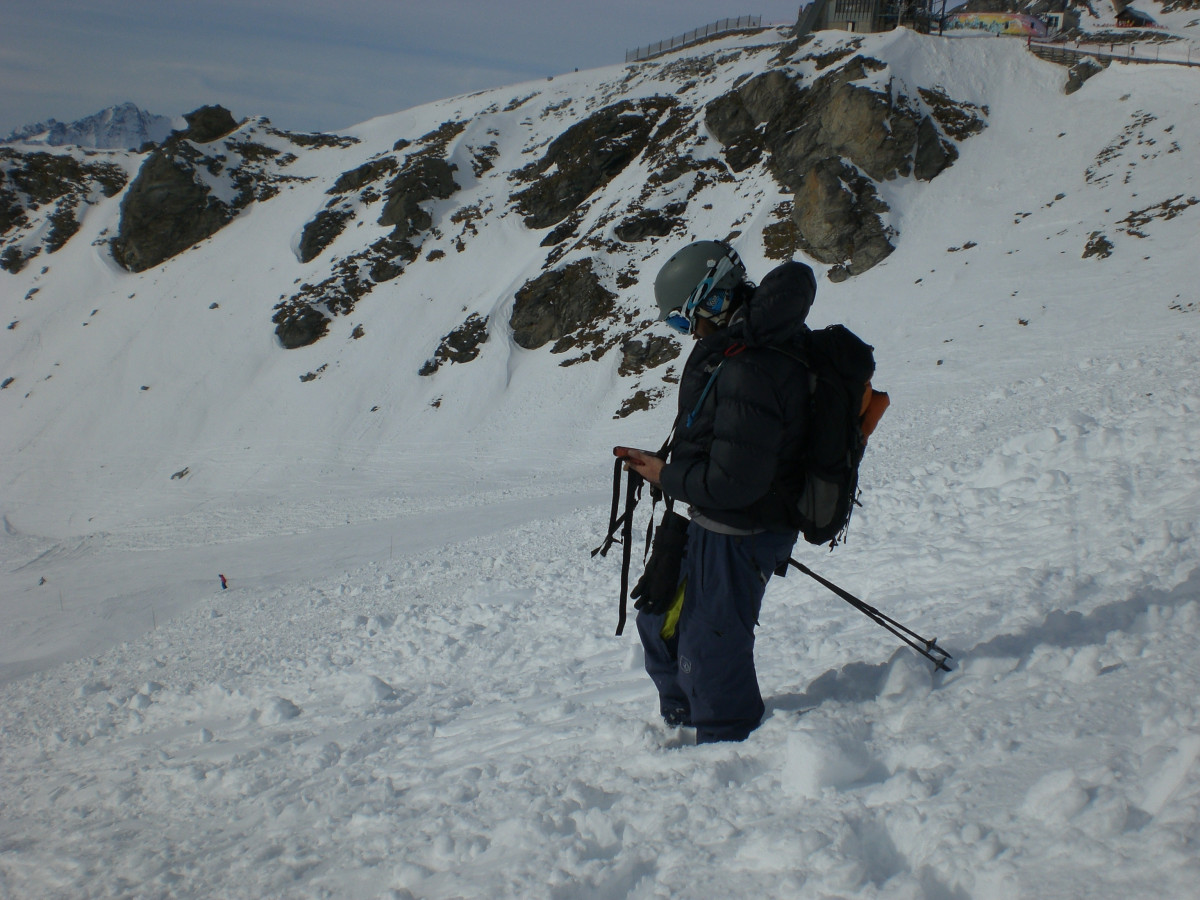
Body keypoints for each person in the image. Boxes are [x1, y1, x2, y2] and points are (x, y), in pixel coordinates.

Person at [617, 240, 817, 743]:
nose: (687, 334)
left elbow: (733, 482)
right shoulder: (735, 353)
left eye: (684, 322)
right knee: (659, 619)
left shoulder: (753, 365)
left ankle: (727, 748)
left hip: (743, 527)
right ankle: (684, 724)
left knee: (709, 647)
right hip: (713, 518)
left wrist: (665, 476)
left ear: (711, 299)